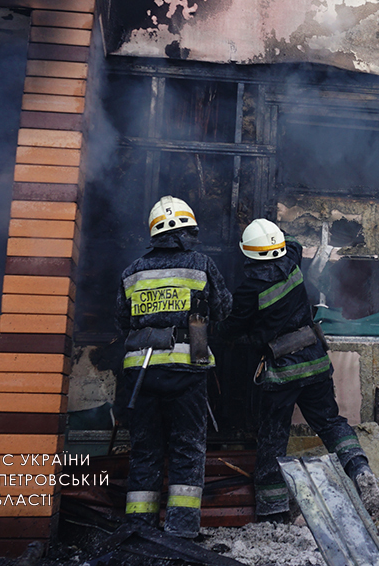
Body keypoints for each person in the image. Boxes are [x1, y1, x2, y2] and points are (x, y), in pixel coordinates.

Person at [219, 218, 379, 522]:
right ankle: (359, 468)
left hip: (283, 371)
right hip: (315, 360)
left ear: (249, 254)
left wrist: (215, 325)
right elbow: (292, 242)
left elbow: (231, 329)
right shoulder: (292, 260)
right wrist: (280, 235)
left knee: (273, 436)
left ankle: (272, 509)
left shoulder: (248, 289)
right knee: (331, 422)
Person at [115, 196, 232, 538]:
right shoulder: (201, 264)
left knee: (145, 451)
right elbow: (223, 309)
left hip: (141, 373)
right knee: (187, 448)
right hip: (186, 370)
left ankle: (139, 528)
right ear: (188, 231)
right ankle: (181, 531)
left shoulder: (131, 271)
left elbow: (123, 320)